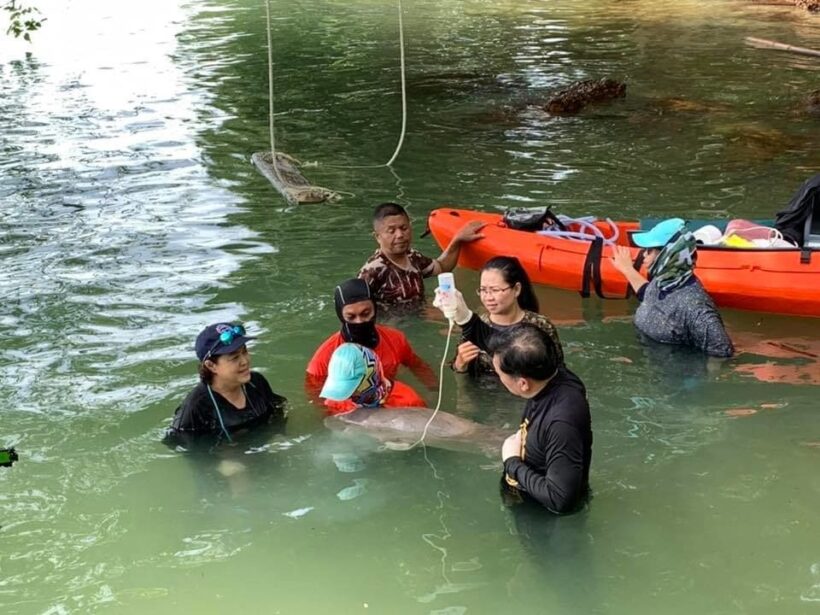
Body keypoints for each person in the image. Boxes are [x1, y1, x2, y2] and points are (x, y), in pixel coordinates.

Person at [489, 323, 592, 515]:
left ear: (523, 383)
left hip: (544, 519)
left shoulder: (561, 423)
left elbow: (560, 500)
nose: (500, 379)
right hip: (529, 494)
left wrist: (511, 462)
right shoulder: (556, 373)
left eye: (500, 375)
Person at [610, 218, 734, 358]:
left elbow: (722, 352)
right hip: (652, 364)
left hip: (676, 375)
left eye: (649, 250)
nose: (644, 254)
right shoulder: (662, 281)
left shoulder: (694, 307)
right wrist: (627, 270)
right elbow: (649, 296)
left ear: (667, 254)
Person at [305, 278, 437, 399]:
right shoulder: (324, 357)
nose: (359, 321)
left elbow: (417, 365)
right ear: (341, 316)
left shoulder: (395, 339)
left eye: (365, 313)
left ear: (375, 309)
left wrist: (434, 390)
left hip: (387, 396)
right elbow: (317, 397)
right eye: (351, 317)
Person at [166, 323, 286, 445]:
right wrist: (220, 462)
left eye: (244, 352)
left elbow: (278, 409)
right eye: (234, 358)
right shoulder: (196, 407)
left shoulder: (256, 382)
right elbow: (181, 446)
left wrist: (277, 434)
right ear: (211, 366)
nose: (244, 361)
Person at [449, 256, 564, 376]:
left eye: (495, 290)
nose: (488, 297)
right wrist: (459, 365)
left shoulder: (539, 325)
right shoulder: (476, 325)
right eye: (483, 290)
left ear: (516, 289)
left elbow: (557, 371)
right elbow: (459, 370)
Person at [358, 202, 485, 309]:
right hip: (393, 324)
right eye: (391, 231)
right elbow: (358, 308)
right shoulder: (372, 270)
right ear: (377, 237)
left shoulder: (413, 256)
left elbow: (441, 266)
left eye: (404, 228)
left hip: (420, 314)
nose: (400, 235)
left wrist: (457, 240)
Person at [319, 343, 427, 414]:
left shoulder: (408, 402)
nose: (347, 395)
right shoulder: (336, 400)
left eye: (351, 388)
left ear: (371, 376)